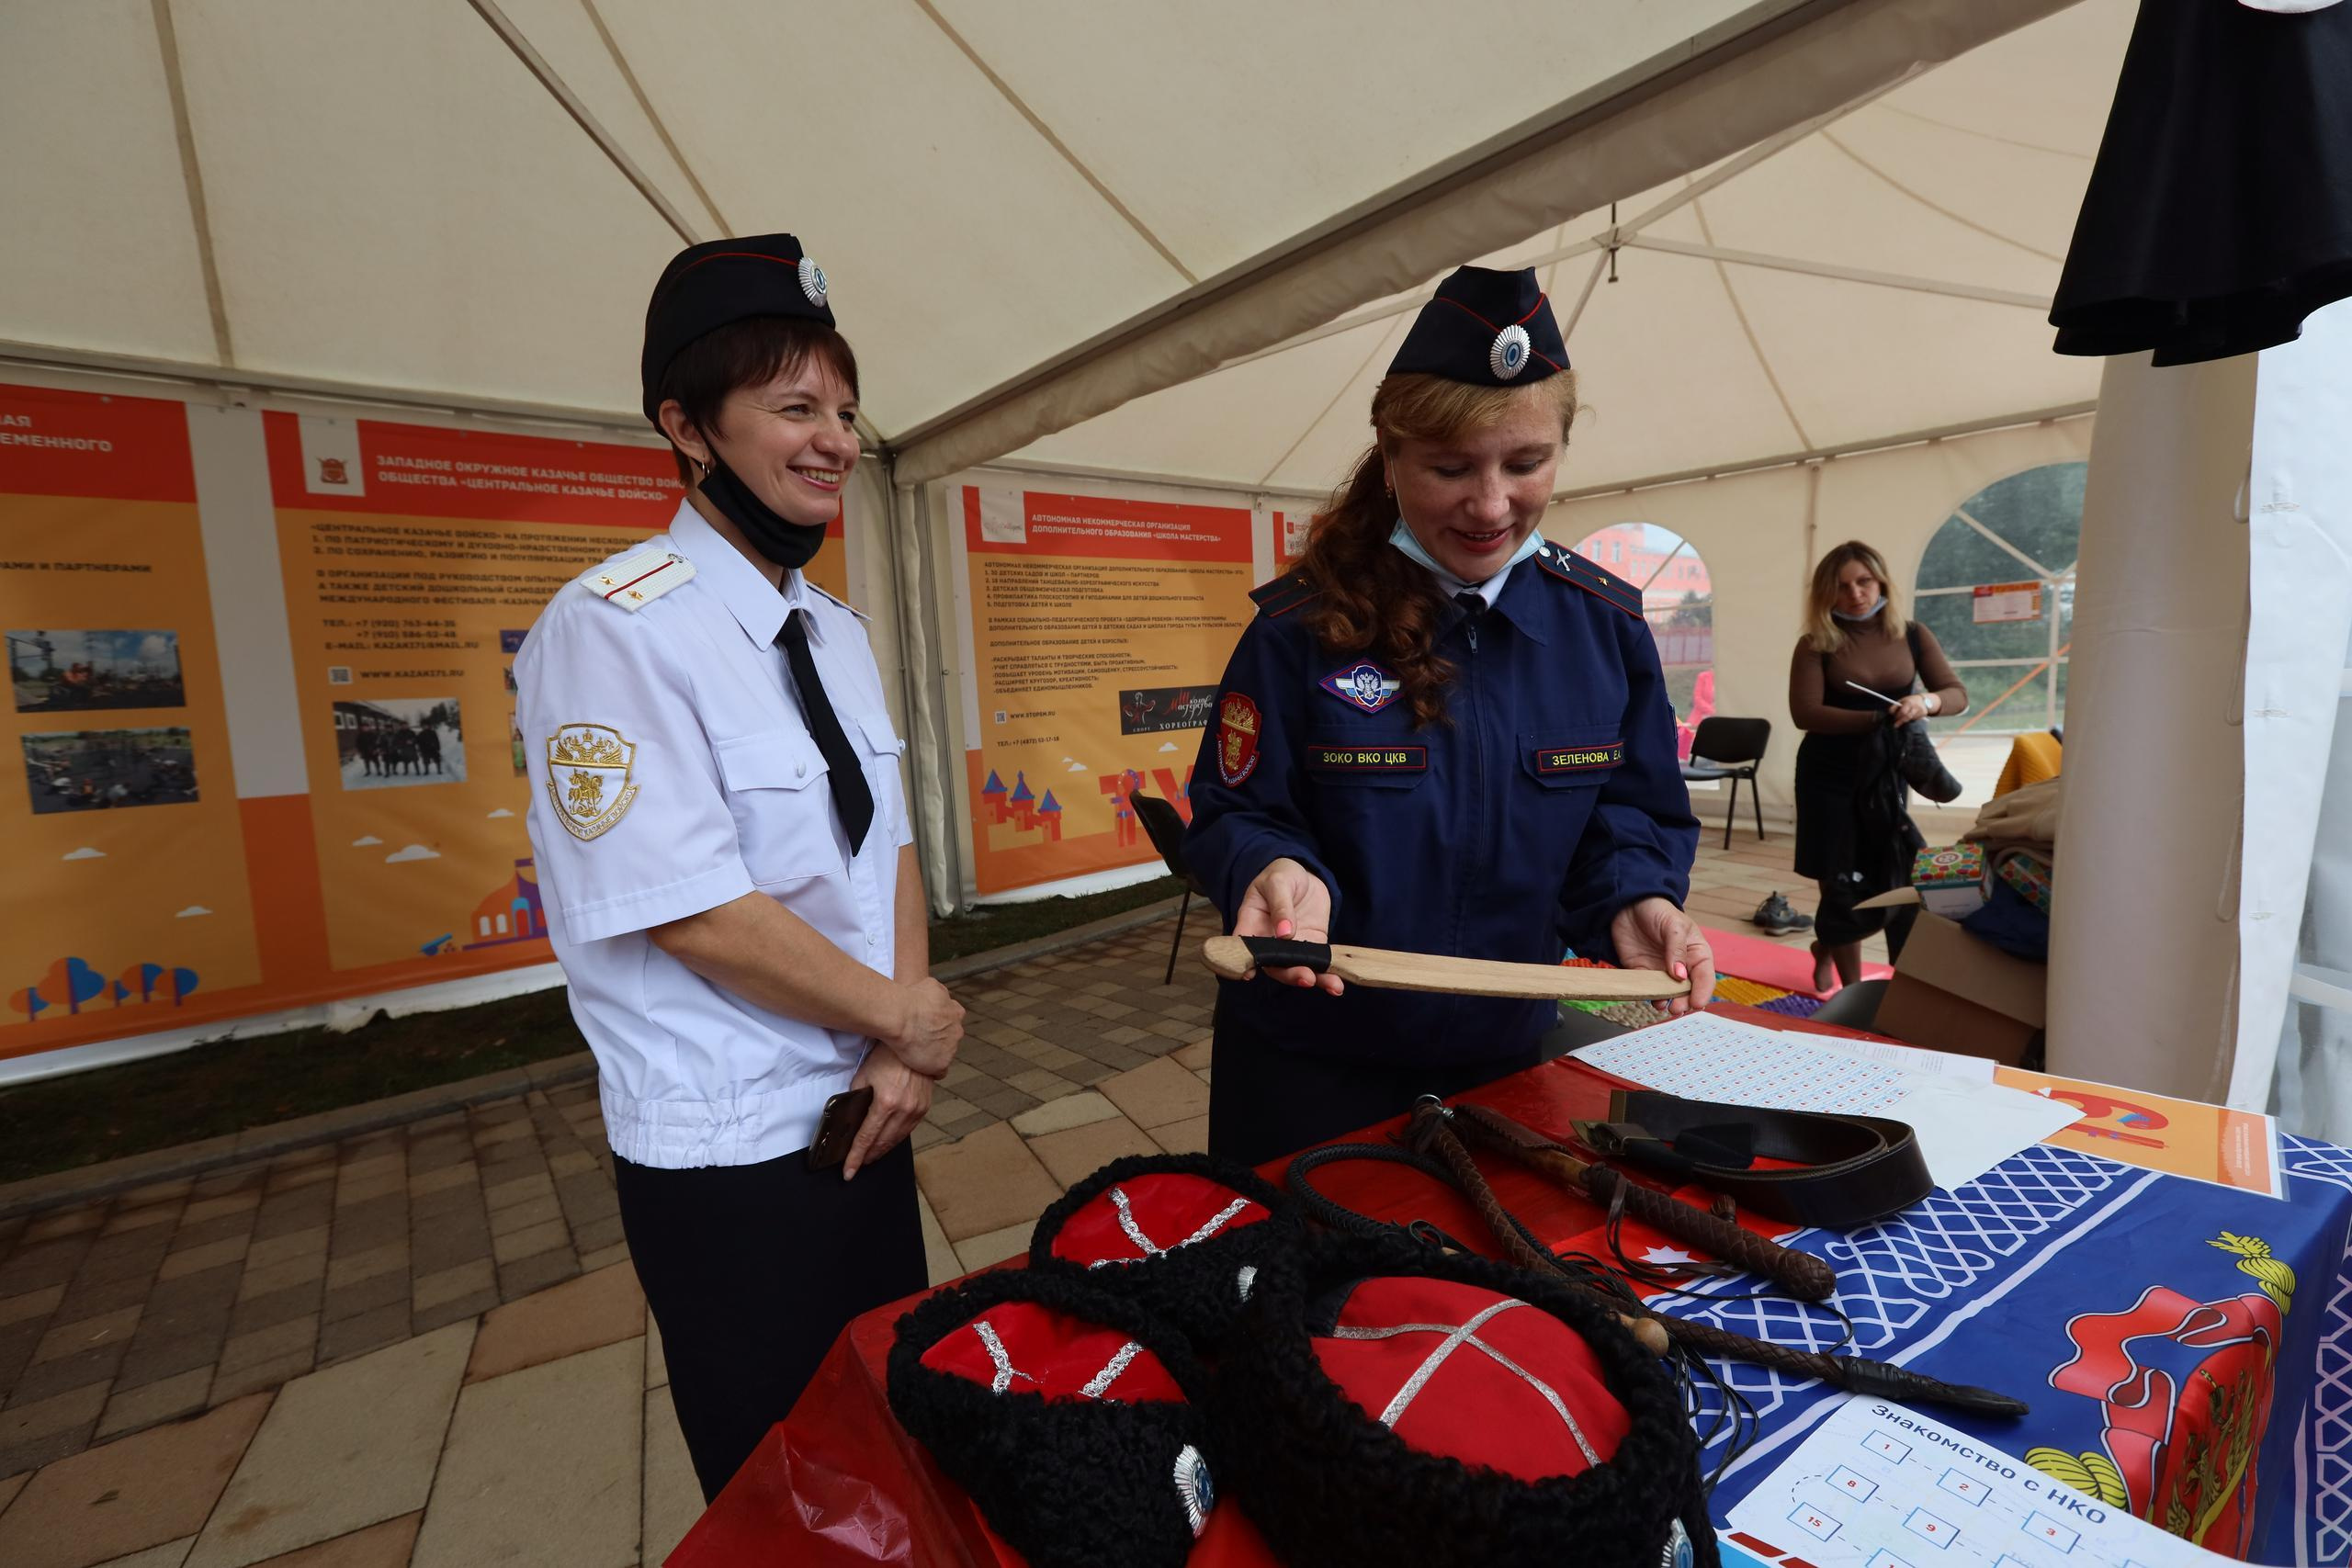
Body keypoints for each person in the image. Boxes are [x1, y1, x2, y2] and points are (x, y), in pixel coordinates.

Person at [516, 232, 963, 1504]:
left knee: (893, 1444)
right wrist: (904, 1013)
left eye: (844, 409)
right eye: (794, 407)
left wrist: (904, 1042)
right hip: (730, 1157)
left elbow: (892, 842)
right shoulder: (611, 629)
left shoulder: (832, 628)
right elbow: (691, 909)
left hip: (871, 1110)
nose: (834, 439)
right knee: (784, 1484)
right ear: (687, 425)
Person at [1184, 265, 1715, 1167]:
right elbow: (1237, 807)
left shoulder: (1606, 631)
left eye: (1525, 463)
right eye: (1448, 468)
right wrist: (1271, 865)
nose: (1490, 504)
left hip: (1501, 1064)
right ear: (1389, 458)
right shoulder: (1296, 631)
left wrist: (1638, 898)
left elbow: (1626, 814)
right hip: (1310, 1062)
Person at [1787, 541, 1969, 992]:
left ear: (1881, 581)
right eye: (1842, 586)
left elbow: (1955, 693)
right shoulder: (1815, 643)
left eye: (1864, 581)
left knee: (1889, 868)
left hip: (1884, 774)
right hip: (1828, 776)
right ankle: (1851, 989)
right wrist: (1879, 719)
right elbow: (1805, 714)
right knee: (1839, 877)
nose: (1855, 594)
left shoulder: (1911, 633)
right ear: (1826, 593)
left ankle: (1851, 960)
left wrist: (1924, 703)